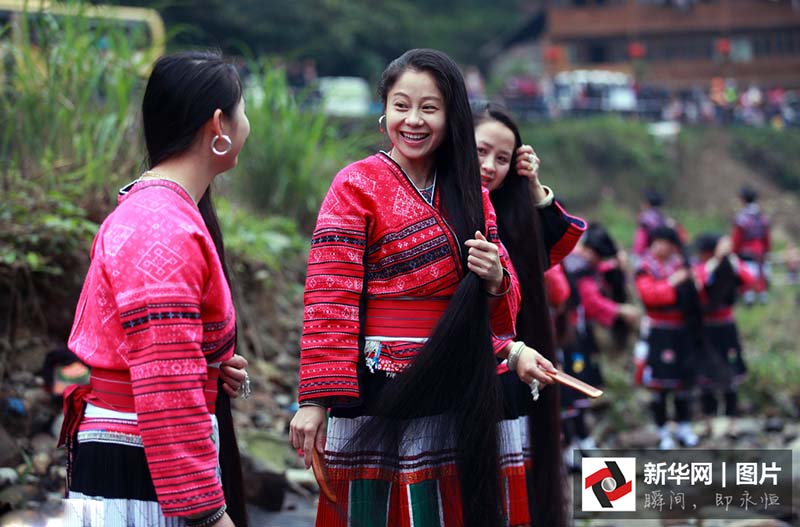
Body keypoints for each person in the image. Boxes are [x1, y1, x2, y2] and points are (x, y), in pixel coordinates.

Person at [290, 49, 521, 527]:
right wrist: (313, 402)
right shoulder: (355, 185)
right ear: (384, 112)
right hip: (377, 388)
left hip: (456, 385)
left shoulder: (470, 193)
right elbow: (329, 295)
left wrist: (496, 278)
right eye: (401, 105)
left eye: (429, 108)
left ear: (451, 115)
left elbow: (503, 307)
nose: (413, 120)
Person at [59, 51, 251, 527]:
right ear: (218, 125)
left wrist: (208, 363)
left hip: (139, 454)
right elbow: (166, 382)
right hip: (142, 462)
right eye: (243, 110)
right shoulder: (162, 226)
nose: (248, 124)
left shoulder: (159, 210)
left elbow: (162, 353)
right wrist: (209, 514)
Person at [473, 102, 586, 526]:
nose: (489, 166)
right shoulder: (429, 204)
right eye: (480, 151)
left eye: (502, 158)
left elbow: (551, 253)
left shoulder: (508, 211)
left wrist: (533, 184)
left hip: (510, 366)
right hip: (451, 367)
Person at [560, 224, 640, 464]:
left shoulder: (577, 263)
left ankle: (582, 441)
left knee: (579, 386)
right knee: (571, 388)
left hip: (576, 333)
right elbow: (592, 302)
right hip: (568, 336)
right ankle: (573, 444)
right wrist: (620, 311)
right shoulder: (576, 268)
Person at [635, 226, 700, 449]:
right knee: (659, 384)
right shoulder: (645, 268)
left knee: (683, 381)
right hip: (658, 331)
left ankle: (684, 426)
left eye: (666, 242)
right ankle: (663, 431)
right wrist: (673, 282)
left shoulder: (681, 265)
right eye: (658, 241)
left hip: (681, 331)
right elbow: (651, 296)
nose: (662, 246)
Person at [692, 234, 754, 438]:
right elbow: (698, 288)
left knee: (731, 372)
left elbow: (749, 280)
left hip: (726, 326)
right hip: (706, 327)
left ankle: (731, 420)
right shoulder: (702, 267)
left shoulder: (733, 263)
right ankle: (708, 420)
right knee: (706, 374)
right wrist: (716, 261)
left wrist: (730, 260)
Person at [731, 185, 771, 305]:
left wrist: (734, 251)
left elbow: (737, 238)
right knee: (760, 274)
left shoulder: (741, 219)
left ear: (743, 199)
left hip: (746, 251)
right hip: (760, 250)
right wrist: (766, 249)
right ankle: (762, 297)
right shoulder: (763, 217)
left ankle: (749, 299)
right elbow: (767, 237)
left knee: (747, 276)